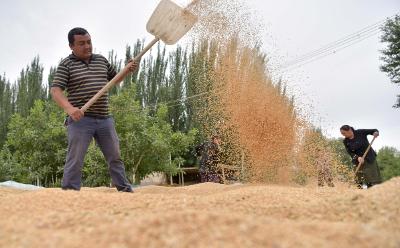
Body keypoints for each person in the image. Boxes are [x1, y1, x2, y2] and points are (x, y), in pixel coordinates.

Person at [50, 27, 138, 192]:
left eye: (89, 42)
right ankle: (70, 192)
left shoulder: (101, 60)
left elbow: (115, 80)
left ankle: (125, 190)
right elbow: (55, 90)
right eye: (81, 43)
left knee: (115, 157)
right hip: (80, 120)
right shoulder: (66, 64)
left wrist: (126, 70)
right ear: (71, 46)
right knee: (75, 159)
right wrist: (70, 109)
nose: (87, 46)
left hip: (105, 119)